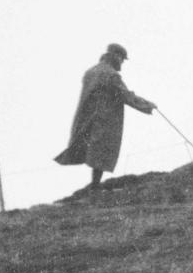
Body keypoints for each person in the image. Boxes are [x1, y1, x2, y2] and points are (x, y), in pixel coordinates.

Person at [54, 43, 157, 189]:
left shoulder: (91, 71)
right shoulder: (110, 74)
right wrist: (147, 105)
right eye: (122, 59)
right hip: (104, 120)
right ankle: (95, 186)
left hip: (87, 118)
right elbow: (124, 95)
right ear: (116, 56)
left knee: (92, 151)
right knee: (101, 152)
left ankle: (94, 185)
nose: (122, 63)